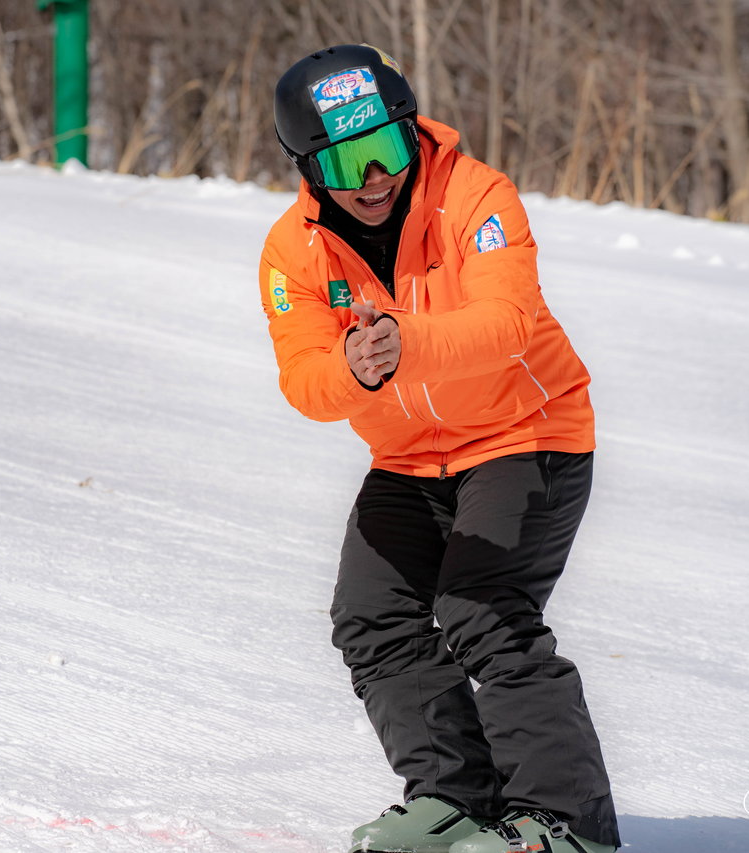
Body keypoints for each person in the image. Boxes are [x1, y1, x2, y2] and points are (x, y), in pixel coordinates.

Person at [257, 44, 622, 853]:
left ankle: (565, 824)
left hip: (528, 434)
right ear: (307, 167)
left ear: (411, 132)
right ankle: (456, 797)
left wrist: (405, 342)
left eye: (386, 147)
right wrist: (352, 371)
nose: (373, 177)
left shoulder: (478, 196)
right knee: (370, 616)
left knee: (481, 606)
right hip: (412, 458)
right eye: (345, 161)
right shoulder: (294, 252)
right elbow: (304, 379)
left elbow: (509, 323)